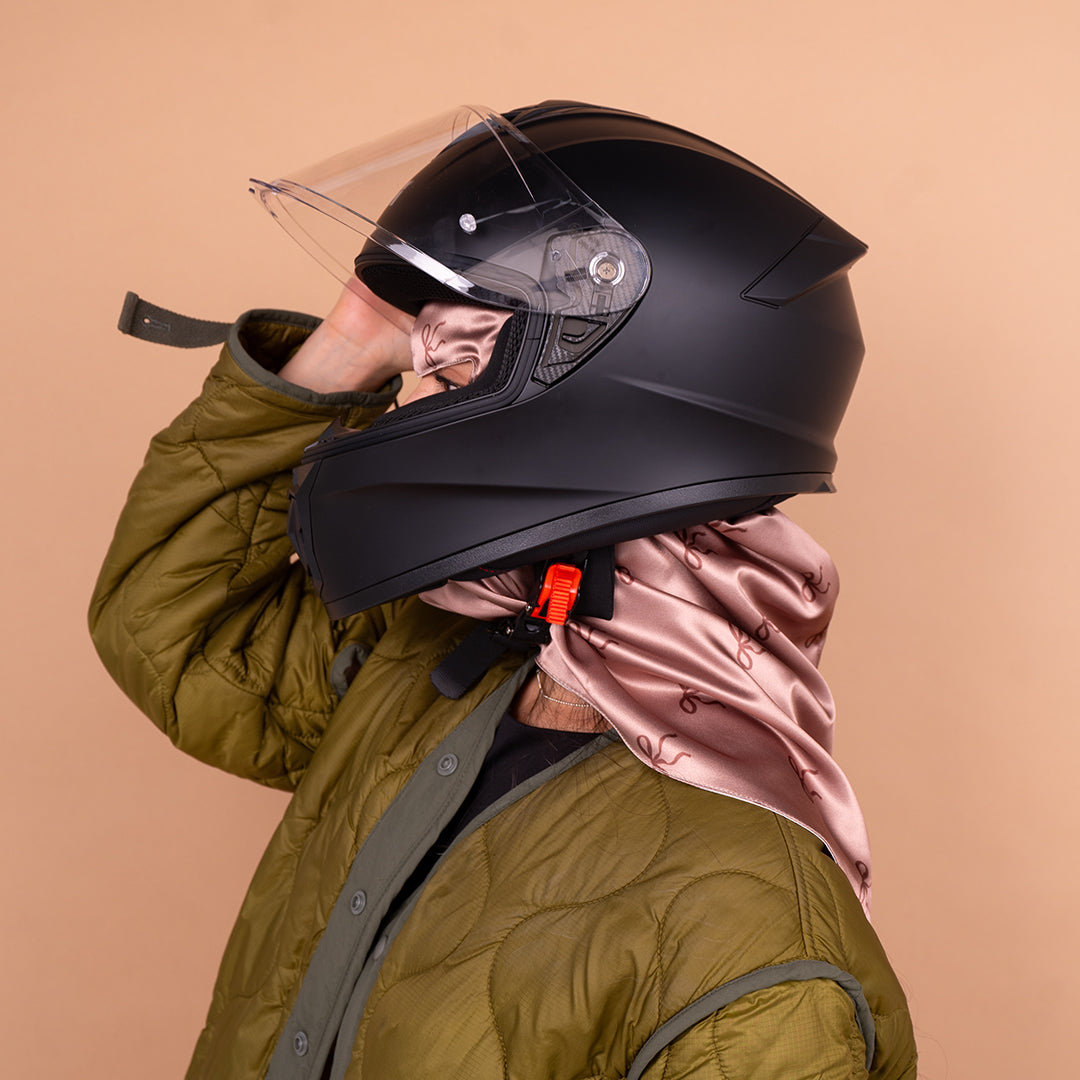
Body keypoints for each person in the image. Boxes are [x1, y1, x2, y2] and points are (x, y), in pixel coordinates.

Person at [90, 101, 918, 1079]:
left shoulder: (758, 958)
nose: (407, 398)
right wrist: (353, 336)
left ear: (598, 410)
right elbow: (181, 636)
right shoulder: (442, 657)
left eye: (452, 372)